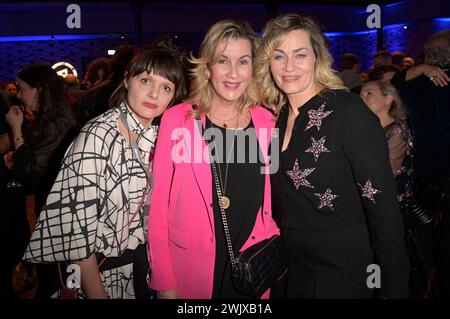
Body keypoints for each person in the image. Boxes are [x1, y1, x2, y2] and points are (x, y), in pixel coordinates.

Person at [256, 13, 410, 298]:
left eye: (299, 55)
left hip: (341, 265)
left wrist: (396, 284)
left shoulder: (348, 110)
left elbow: (383, 207)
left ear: (317, 57)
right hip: (290, 264)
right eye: (279, 56)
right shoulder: (278, 116)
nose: (288, 66)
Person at [23, 43, 187, 299]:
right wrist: (96, 291)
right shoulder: (98, 136)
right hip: (99, 276)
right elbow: (76, 233)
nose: (154, 94)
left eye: (166, 87)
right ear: (127, 79)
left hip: (141, 273)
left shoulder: (160, 136)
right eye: (145, 80)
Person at [148, 19, 280, 299]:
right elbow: (157, 206)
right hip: (191, 269)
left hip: (251, 268)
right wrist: (163, 280)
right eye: (223, 61)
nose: (233, 73)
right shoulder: (178, 120)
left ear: (253, 69)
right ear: (207, 68)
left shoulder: (267, 122)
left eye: (243, 61)